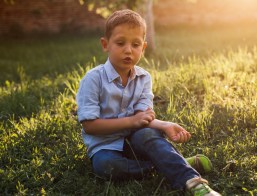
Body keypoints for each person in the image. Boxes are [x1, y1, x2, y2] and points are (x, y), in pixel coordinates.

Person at [76, 9, 221, 196]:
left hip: (136, 140)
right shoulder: (93, 79)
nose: (128, 50)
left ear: (143, 48)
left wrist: (164, 124)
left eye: (135, 44)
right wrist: (131, 122)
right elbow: (89, 126)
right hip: (106, 147)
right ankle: (173, 162)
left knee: (148, 134)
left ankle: (192, 182)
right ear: (106, 44)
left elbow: (142, 118)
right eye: (120, 43)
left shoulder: (144, 78)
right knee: (106, 167)